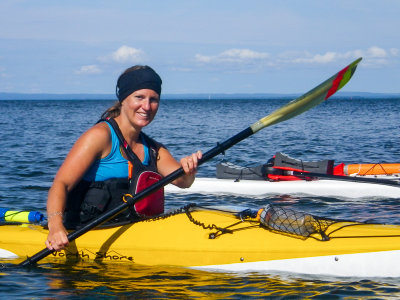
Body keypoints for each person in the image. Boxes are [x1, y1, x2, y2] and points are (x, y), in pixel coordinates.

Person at [45, 65, 202, 251]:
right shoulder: (100, 136)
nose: (147, 106)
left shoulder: (153, 149)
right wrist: (55, 227)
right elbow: (60, 184)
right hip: (86, 235)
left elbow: (183, 182)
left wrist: (189, 170)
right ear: (123, 99)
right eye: (139, 97)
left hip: (132, 236)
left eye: (154, 100)